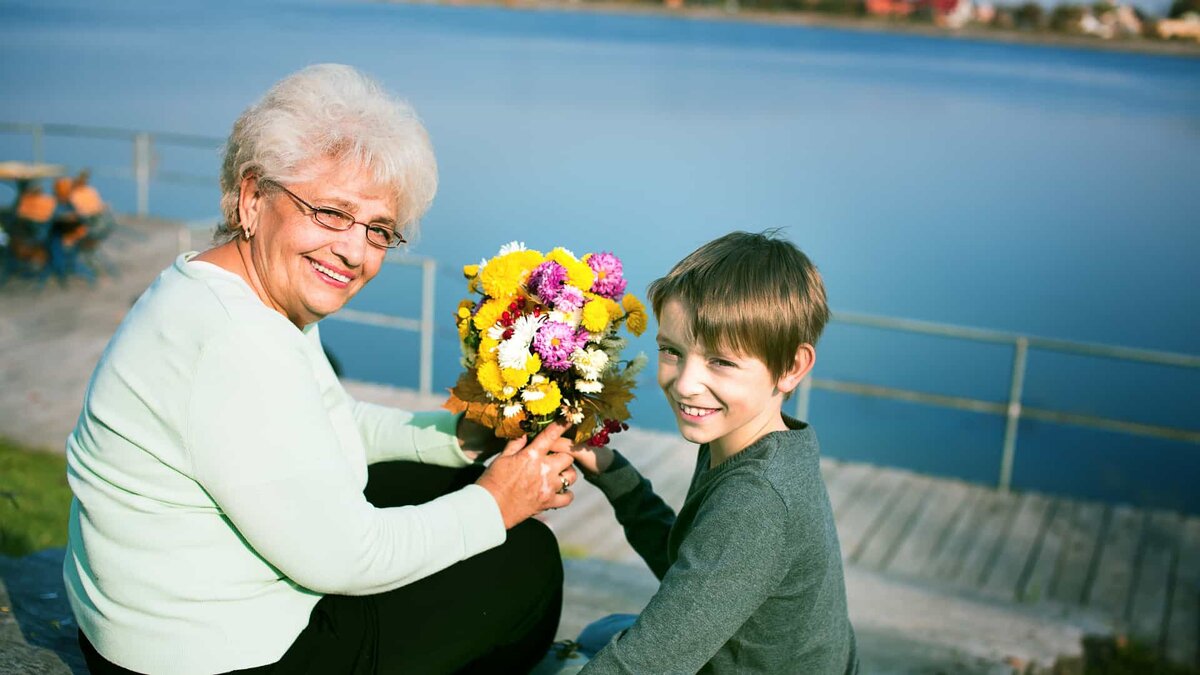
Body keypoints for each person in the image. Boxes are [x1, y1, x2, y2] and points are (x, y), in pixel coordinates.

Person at [63, 63, 579, 675]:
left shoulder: (233, 289)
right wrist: (498, 501)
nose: (354, 251)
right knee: (525, 562)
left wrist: (464, 437)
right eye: (331, 212)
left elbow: (334, 423)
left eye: (379, 230)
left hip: (150, 621)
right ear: (253, 197)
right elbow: (347, 558)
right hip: (207, 656)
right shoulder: (238, 343)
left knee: (433, 484)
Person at [563, 231, 858, 673]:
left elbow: (645, 665)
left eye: (720, 361)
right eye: (671, 351)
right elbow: (696, 566)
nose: (685, 384)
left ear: (792, 367)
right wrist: (611, 470)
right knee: (597, 634)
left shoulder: (757, 500)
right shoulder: (745, 438)